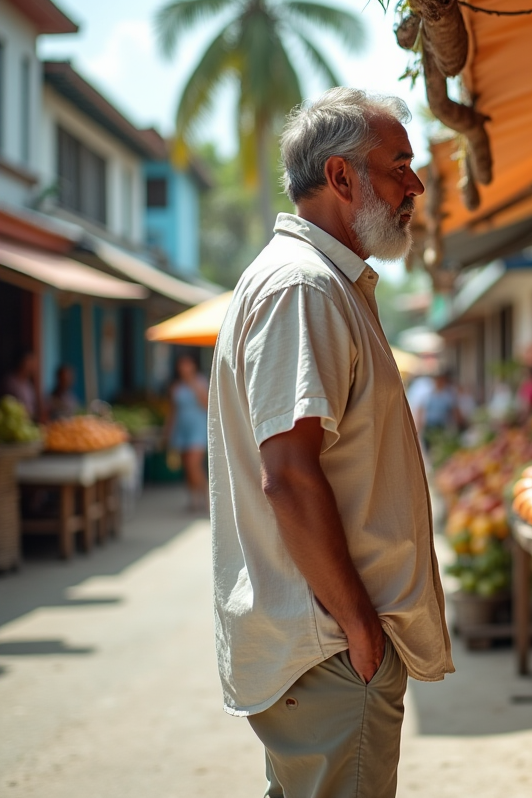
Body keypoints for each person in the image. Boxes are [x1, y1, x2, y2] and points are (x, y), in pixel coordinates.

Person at [207, 87, 452, 798]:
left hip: (329, 648)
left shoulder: (322, 285)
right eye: (399, 163)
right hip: (334, 649)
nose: (417, 183)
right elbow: (287, 475)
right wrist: (359, 630)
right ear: (342, 178)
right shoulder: (304, 289)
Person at [164, 355, 208, 512]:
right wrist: (168, 432)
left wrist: (193, 384)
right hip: (181, 429)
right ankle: (194, 500)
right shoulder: (176, 386)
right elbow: (173, 411)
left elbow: (206, 404)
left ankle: (207, 497)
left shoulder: (201, 381)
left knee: (194, 464)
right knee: (186, 468)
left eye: (187, 364)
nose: (185, 368)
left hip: (198, 427)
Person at [413, 371, 462, 447]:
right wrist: (417, 431)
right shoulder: (427, 395)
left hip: (442, 428)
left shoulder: (448, 396)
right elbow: (420, 412)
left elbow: (455, 412)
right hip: (429, 427)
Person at [3, 350, 43, 422]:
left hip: (29, 423)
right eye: (30, 362)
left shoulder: (29, 384)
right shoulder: (10, 382)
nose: (33, 366)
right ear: (22, 362)